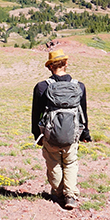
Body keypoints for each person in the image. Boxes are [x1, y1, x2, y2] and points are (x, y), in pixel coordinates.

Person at [31, 48, 91, 210]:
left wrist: (37, 134)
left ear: (50, 67)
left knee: (54, 164)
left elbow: (36, 113)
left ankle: (57, 194)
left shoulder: (42, 87)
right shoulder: (79, 86)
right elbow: (82, 112)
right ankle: (70, 196)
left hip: (50, 135)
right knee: (70, 163)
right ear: (66, 64)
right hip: (72, 134)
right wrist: (85, 133)